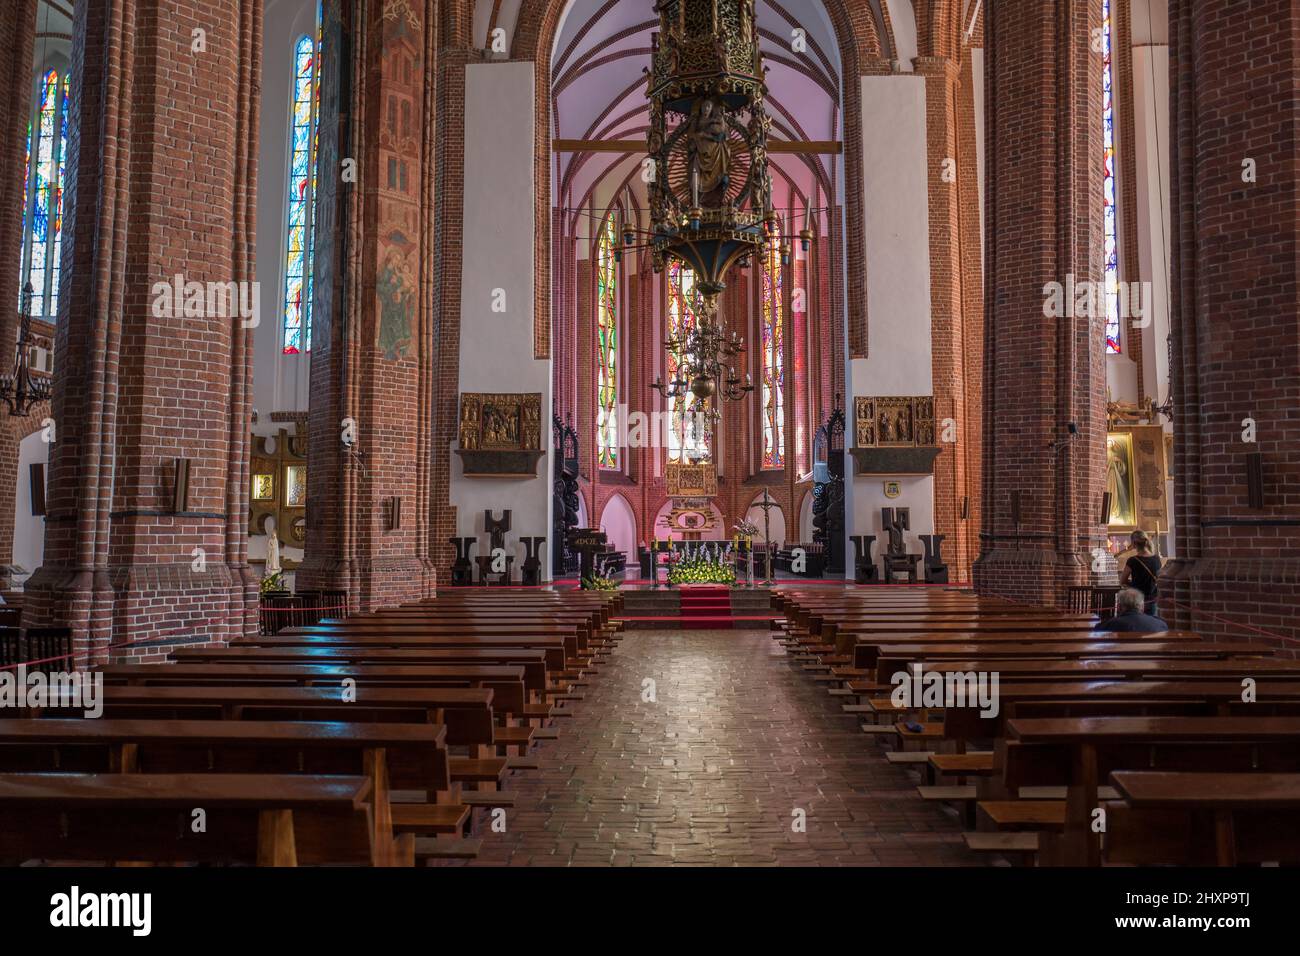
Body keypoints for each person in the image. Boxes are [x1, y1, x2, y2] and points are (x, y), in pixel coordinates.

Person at [1119, 529, 1161, 616]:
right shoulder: (1156, 559)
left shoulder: (1132, 561)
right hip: (1152, 599)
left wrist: (1134, 583)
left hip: (1137, 600)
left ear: (1134, 544)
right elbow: (1159, 579)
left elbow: (1123, 581)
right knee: (1151, 625)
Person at [1095, 587, 1169, 633]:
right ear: (1142, 607)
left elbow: (1096, 632)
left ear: (1119, 607)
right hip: (1151, 658)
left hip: (1120, 658)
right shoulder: (1160, 624)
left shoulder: (1109, 625)